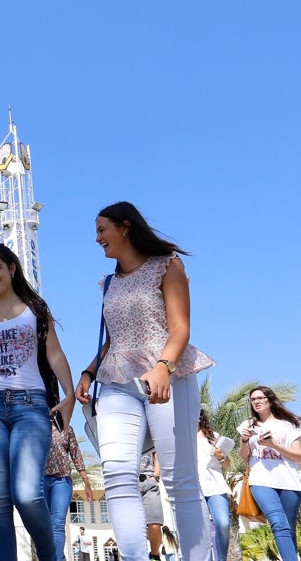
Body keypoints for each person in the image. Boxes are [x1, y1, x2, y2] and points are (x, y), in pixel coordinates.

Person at [73, 202, 215, 561]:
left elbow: (180, 326)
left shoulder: (167, 265)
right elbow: (113, 339)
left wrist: (163, 366)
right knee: (118, 474)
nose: (97, 239)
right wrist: (89, 371)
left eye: (101, 230)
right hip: (117, 382)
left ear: (125, 228)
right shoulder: (108, 283)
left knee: (178, 477)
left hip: (166, 375)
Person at [0, 243, 76, 561]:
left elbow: (55, 354)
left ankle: (50, 555)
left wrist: (69, 394)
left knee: (27, 493)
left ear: (11, 269)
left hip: (31, 406)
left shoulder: (35, 308)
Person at [238, 386, 301, 561]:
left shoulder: (286, 425)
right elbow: (244, 456)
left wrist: (273, 445)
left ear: (270, 400)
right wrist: (245, 440)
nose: (256, 402)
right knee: (278, 524)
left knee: (289, 529)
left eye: (260, 398)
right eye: (253, 399)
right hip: (260, 481)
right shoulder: (248, 425)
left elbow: (298, 456)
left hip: (289, 482)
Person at [45, 421, 94, 561]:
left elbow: (76, 454)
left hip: (62, 481)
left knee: (58, 523)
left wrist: (86, 482)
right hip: (41, 482)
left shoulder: (66, 428)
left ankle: (58, 558)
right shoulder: (34, 426)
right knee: (46, 526)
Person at [196, 409, 233, 561]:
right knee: (200, 531)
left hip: (215, 486)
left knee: (223, 524)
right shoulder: (181, 437)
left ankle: (221, 558)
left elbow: (228, 464)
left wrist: (220, 457)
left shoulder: (214, 437)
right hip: (194, 488)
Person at [140, 453, 163, 560]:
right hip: (129, 482)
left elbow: (157, 453)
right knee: (134, 527)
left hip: (149, 480)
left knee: (155, 524)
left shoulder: (149, 435)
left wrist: (156, 475)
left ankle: (154, 555)